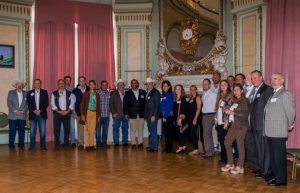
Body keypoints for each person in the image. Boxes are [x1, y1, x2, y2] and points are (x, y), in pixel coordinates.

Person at [264, 73, 295, 186]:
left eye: (275, 79)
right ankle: (275, 176)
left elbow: (291, 112)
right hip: (270, 131)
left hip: (278, 131)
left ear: (282, 81)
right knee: (273, 156)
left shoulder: (285, 93)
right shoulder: (274, 94)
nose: (272, 81)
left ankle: (281, 180)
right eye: (271, 79)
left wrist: (289, 124)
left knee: (279, 157)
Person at [248, 70, 273, 179]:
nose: (254, 80)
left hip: (262, 125)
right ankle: (262, 168)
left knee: (264, 149)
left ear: (261, 77)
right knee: (259, 149)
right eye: (252, 78)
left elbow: (268, 109)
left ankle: (266, 171)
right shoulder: (255, 90)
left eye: (256, 77)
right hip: (254, 125)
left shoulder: (267, 89)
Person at [221, 83, 250, 174]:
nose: (235, 91)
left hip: (241, 126)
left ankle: (240, 166)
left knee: (240, 146)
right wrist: (227, 112)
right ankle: (230, 163)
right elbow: (231, 112)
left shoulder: (245, 100)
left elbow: (245, 114)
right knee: (227, 143)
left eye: (237, 89)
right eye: (234, 90)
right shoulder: (235, 101)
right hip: (233, 125)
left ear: (242, 91)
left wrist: (232, 113)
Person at [51, 79, 75, 149]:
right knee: (57, 130)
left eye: (62, 83)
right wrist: (58, 111)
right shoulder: (54, 93)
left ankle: (66, 143)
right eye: (60, 83)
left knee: (67, 129)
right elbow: (52, 104)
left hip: (67, 113)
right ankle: (57, 144)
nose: (61, 85)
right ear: (58, 85)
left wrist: (67, 111)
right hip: (57, 114)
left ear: (64, 84)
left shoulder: (70, 93)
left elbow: (72, 103)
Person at [26, 79, 49, 150]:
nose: (37, 84)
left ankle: (43, 146)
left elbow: (46, 103)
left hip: (42, 115)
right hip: (33, 115)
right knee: (32, 132)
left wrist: (40, 110)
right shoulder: (30, 92)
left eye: (38, 83)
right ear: (34, 84)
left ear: (40, 84)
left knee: (43, 132)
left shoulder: (44, 92)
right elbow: (28, 103)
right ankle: (32, 147)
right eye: (35, 83)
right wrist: (34, 110)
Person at [123, 79, 147, 149]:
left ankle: (140, 143)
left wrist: (145, 114)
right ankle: (133, 143)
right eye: (132, 83)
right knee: (132, 130)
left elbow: (146, 104)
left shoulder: (143, 92)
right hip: (131, 115)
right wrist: (126, 113)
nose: (134, 84)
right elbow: (125, 104)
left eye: (135, 83)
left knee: (140, 130)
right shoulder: (127, 93)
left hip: (141, 114)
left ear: (138, 84)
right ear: (131, 85)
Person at [215, 80, 233, 163]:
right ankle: (223, 157)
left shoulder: (230, 95)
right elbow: (217, 108)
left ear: (228, 86)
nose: (223, 86)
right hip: (219, 121)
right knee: (221, 140)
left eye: (224, 84)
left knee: (225, 141)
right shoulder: (220, 95)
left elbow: (229, 108)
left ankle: (225, 158)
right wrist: (215, 119)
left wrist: (226, 122)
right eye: (221, 85)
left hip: (225, 121)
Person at [80, 80, 101, 151]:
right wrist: (83, 115)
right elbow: (82, 105)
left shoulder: (97, 95)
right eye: (90, 84)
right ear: (89, 85)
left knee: (92, 130)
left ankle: (91, 145)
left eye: (93, 84)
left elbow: (98, 106)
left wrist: (98, 116)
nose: (92, 86)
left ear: (95, 86)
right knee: (87, 130)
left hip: (94, 113)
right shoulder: (86, 94)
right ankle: (87, 146)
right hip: (87, 113)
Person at [7, 80, 28, 151]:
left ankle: (21, 145)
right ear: (16, 86)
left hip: (22, 116)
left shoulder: (26, 93)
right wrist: (15, 111)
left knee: (22, 131)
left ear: (22, 86)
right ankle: (11, 145)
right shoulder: (11, 92)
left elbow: (27, 104)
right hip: (13, 116)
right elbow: (9, 103)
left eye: (21, 85)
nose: (19, 86)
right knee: (12, 131)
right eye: (18, 85)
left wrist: (22, 111)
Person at [72, 76, 90, 149]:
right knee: (80, 129)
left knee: (88, 128)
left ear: (85, 81)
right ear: (78, 82)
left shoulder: (89, 89)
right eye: (80, 81)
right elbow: (72, 103)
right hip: (78, 112)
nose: (81, 82)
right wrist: (74, 112)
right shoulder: (75, 91)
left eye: (83, 80)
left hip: (88, 113)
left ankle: (88, 143)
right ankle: (81, 144)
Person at [201, 78, 217, 158]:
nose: (204, 85)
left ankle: (208, 152)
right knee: (208, 134)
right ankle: (210, 151)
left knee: (206, 134)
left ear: (210, 85)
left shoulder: (212, 94)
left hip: (210, 115)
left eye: (206, 84)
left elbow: (216, 106)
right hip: (204, 115)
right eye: (203, 84)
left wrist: (215, 116)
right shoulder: (205, 94)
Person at [110, 79, 128, 146]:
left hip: (125, 114)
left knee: (125, 128)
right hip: (117, 114)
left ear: (124, 85)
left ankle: (125, 141)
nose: (121, 86)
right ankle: (116, 142)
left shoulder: (127, 93)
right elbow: (111, 104)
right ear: (117, 86)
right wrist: (113, 113)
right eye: (119, 85)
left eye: (122, 84)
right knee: (115, 129)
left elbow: (129, 104)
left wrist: (128, 113)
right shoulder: (113, 93)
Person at [144, 77, 161, 152]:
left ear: (152, 84)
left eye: (149, 84)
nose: (148, 85)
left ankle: (155, 148)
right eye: (147, 84)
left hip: (153, 116)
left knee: (153, 131)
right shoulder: (147, 92)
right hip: (148, 116)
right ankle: (152, 146)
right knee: (151, 131)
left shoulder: (156, 92)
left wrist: (154, 115)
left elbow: (157, 105)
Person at [187, 85, 202, 156]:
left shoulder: (197, 97)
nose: (192, 91)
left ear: (196, 90)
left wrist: (195, 118)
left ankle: (196, 149)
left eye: (194, 89)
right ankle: (196, 149)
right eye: (191, 89)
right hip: (190, 119)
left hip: (194, 119)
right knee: (191, 134)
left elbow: (199, 108)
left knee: (193, 134)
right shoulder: (190, 98)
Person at [160, 80, 174, 153]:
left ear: (169, 87)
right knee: (166, 133)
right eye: (163, 86)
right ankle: (167, 148)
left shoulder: (169, 94)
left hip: (168, 117)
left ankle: (169, 149)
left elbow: (169, 106)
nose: (164, 87)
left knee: (168, 133)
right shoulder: (164, 95)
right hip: (165, 116)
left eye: (166, 86)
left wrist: (165, 116)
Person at [173, 84, 188, 154]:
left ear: (181, 90)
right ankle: (183, 146)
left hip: (180, 118)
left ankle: (181, 146)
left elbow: (184, 109)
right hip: (175, 118)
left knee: (179, 133)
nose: (177, 90)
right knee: (178, 133)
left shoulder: (182, 98)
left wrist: (180, 119)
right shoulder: (175, 98)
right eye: (176, 89)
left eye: (179, 89)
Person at [60, 75, 74, 145]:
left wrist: (73, 111)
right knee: (62, 128)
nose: (68, 81)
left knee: (72, 127)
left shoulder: (73, 89)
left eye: (69, 80)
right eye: (66, 80)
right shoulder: (60, 89)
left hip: (70, 112)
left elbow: (74, 101)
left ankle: (72, 142)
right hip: (62, 112)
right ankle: (62, 142)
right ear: (64, 81)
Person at [96, 80, 110, 148]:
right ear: (101, 86)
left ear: (107, 85)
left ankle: (104, 143)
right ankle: (98, 144)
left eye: (105, 85)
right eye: (103, 85)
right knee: (98, 131)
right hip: (99, 116)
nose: (104, 86)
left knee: (105, 130)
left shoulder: (109, 93)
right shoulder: (97, 93)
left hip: (106, 115)